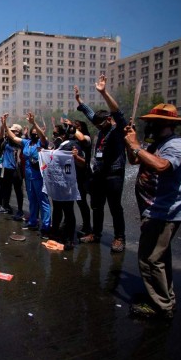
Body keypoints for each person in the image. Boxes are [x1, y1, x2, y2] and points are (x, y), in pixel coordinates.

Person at [123, 103, 181, 319]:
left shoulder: (176, 145)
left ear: (165, 124)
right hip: (153, 211)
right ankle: (165, 299)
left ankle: (161, 307)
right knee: (159, 259)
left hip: (164, 213)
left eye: (152, 122)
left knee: (150, 260)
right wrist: (130, 143)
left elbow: (162, 166)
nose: (148, 125)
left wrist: (135, 146)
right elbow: (135, 159)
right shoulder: (156, 142)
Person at [75, 75, 127, 253]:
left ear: (109, 120)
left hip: (113, 174)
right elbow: (91, 115)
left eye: (100, 123)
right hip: (98, 175)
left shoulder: (118, 129)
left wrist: (104, 92)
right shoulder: (101, 126)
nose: (97, 126)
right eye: (96, 124)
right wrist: (80, 102)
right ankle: (95, 233)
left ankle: (119, 238)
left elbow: (117, 112)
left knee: (114, 207)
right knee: (96, 206)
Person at [2, 112, 51, 237]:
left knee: (42, 200)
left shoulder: (42, 143)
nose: (34, 133)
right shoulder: (27, 142)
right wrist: (4, 125)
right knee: (32, 199)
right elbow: (13, 138)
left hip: (39, 175)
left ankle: (46, 226)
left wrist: (34, 123)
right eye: (33, 131)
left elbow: (43, 136)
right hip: (28, 175)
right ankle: (33, 221)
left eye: (36, 131)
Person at [48, 123, 86, 249]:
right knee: (57, 209)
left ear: (63, 135)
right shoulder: (61, 145)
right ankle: (55, 234)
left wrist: (75, 157)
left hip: (67, 185)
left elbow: (82, 164)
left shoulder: (72, 145)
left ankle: (69, 239)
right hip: (58, 184)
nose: (54, 136)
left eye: (56, 134)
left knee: (68, 211)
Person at [0, 117, 24, 219]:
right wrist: (3, 125)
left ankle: (20, 210)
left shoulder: (21, 142)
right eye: (10, 131)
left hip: (16, 170)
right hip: (6, 169)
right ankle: (5, 206)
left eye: (13, 131)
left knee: (18, 190)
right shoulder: (6, 142)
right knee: (6, 189)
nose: (11, 133)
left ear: (19, 133)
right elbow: (0, 137)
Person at [72, 120, 93, 239]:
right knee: (81, 202)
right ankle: (86, 225)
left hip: (86, 175)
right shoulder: (74, 141)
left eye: (77, 126)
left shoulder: (86, 138)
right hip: (77, 176)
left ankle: (90, 229)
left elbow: (81, 137)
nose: (74, 129)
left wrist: (73, 127)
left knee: (93, 203)